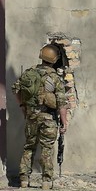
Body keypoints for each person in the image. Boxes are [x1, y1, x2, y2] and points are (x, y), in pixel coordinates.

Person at [12, 44, 67, 190]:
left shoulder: (29, 73)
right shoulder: (55, 77)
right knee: (47, 149)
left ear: (41, 56)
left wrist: (23, 106)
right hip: (48, 118)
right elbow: (62, 103)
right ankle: (46, 182)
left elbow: (15, 89)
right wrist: (64, 122)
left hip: (31, 117)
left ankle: (24, 180)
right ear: (54, 60)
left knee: (29, 147)